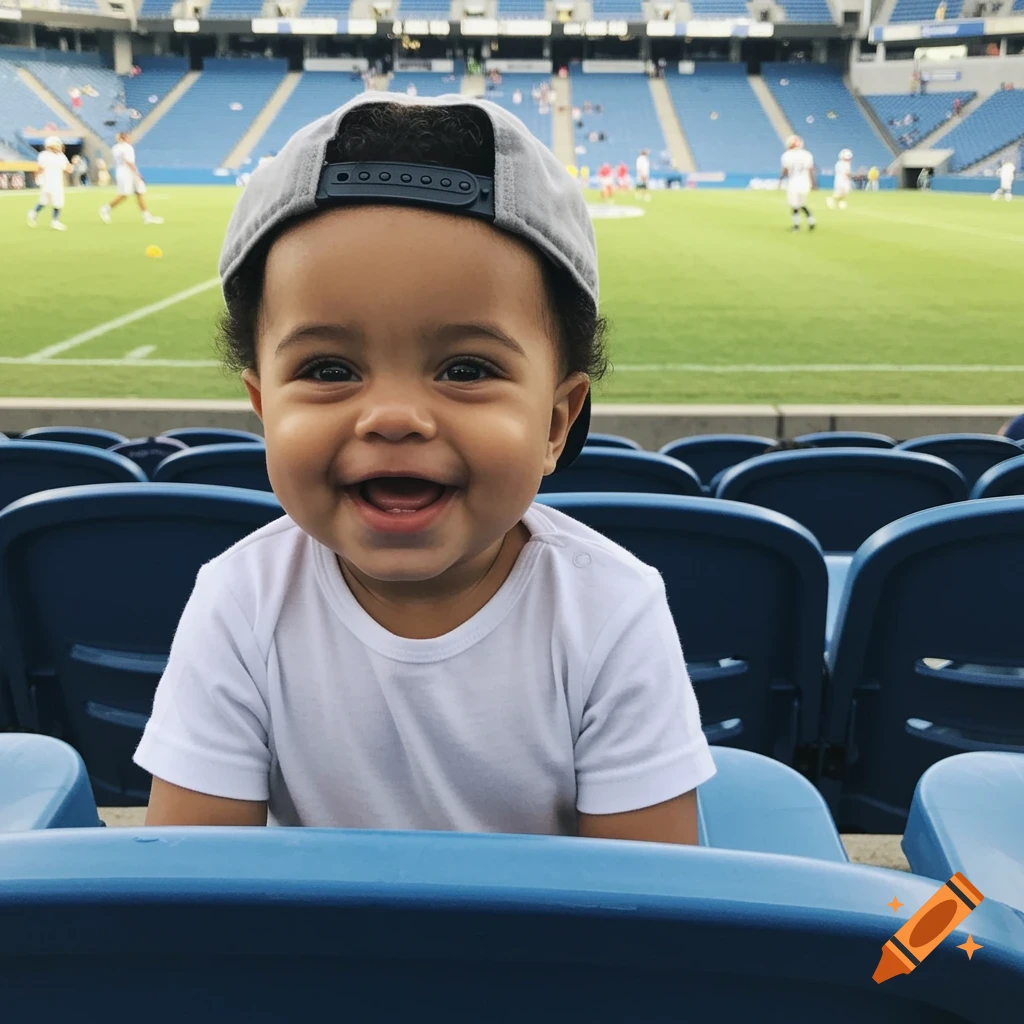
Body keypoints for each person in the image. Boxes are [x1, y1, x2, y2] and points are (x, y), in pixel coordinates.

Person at [134, 95, 715, 840]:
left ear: (556, 422)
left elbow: (649, 910)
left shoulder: (611, 611)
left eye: (467, 368)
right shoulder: (240, 602)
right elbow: (194, 897)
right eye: (330, 367)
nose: (395, 416)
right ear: (263, 404)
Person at [99, 132, 163, 224]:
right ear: (125, 138)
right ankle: (106, 208)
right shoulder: (127, 148)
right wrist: (137, 173)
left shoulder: (115, 147)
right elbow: (128, 161)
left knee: (139, 192)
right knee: (125, 194)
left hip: (120, 170)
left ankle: (147, 216)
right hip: (127, 172)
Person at [27, 135, 70, 231]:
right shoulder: (44, 155)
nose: (59, 146)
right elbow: (40, 168)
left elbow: (67, 168)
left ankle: (33, 212)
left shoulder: (61, 156)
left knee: (44, 201)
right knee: (57, 201)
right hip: (48, 181)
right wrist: (37, 177)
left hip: (57, 181)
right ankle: (54, 221)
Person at [779, 134, 816, 232]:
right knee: (801, 203)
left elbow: (786, 170)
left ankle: (796, 225)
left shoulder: (787, 155)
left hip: (794, 182)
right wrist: (813, 183)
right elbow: (811, 169)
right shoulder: (807, 154)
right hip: (805, 182)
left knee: (795, 205)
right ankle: (810, 220)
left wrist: (781, 179)